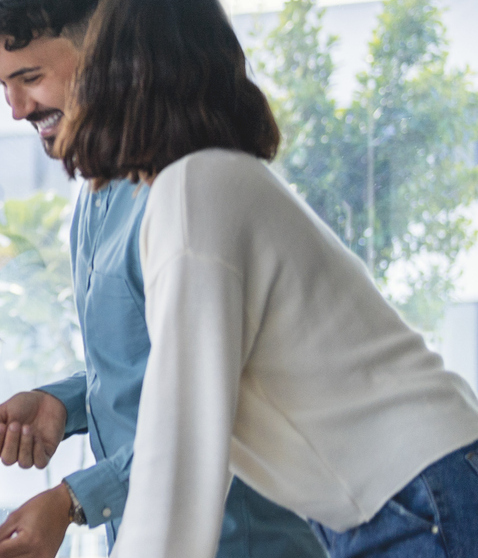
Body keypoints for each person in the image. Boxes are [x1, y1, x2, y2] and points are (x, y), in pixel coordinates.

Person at [46, 0, 478, 555]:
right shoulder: (219, 181)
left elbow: (182, 441)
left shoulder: (194, 191)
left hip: (414, 494)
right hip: (415, 488)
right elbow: (201, 428)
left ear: (113, 80)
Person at [0, 1, 326, 556]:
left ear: (107, 54)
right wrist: (66, 404)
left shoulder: (189, 193)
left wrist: (70, 501)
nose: (16, 109)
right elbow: (155, 363)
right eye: (3, 84)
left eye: (30, 78)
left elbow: (211, 406)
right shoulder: (95, 196)